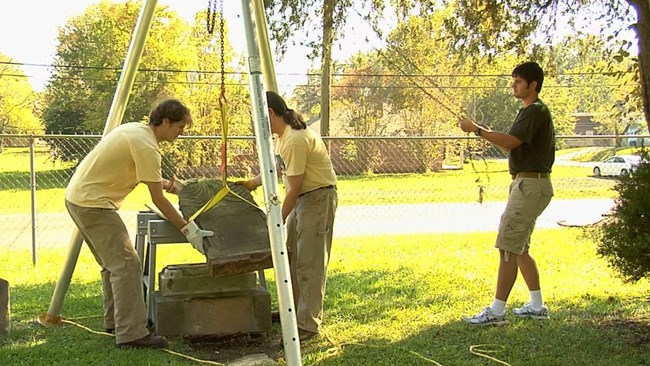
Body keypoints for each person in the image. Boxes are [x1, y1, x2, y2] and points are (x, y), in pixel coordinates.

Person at [64, 99, 214, 348]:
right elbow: (157, 199)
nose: (181, 133)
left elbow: (146, 176)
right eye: (179, 127)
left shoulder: (137, 131)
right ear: (165, 121)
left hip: (79, 199)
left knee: (112, 266)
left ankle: (118, 322)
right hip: (94, 205)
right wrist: (189, 230)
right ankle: (132, 334)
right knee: (126, 266)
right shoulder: (146, 145)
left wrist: (171, 184)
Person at [458, 62, 555, 325]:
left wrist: (477, 130)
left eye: (518, 82)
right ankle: (536, 306)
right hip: (528, 184)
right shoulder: (530, 112)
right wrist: (481, 131)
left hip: (530, 185)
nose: (513, 85)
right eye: (512, 81)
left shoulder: (535, 111)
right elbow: (511, 143)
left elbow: (510, 143)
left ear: (533, 85)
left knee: (508, 247)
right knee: (519, 247)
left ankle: (497, 312)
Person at [237, 91, 338, 342]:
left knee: (309, 263)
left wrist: (276, 221)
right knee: (291, 257)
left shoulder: (294, 139)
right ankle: (291, 312)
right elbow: (275, 169)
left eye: (258, 118)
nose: (255, 124)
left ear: (270, 113)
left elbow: (293, 188)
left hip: (317, 198)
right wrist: (252, 183)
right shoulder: (282, 138)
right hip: (304, 200)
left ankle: (307, 325)